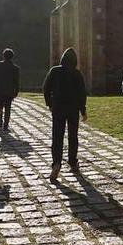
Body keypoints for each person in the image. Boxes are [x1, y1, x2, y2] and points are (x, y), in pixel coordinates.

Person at [43, 48, 88, 181]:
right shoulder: (77, 74)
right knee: (73, 136)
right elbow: (82, 94)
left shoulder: (55, 71)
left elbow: (46, 88)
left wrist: (49, 103)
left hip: (58, 108)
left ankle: (56, 163)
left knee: (57, 136)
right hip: (73, 109)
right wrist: (83, 110)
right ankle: (73, 162)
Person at [0, 48, 20, 131]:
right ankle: (6, 125)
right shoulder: (15, 68)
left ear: (3, 56)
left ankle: (0, 122)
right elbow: (16, 81)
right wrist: (16, 91)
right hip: (9, 91)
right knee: (8, 108)